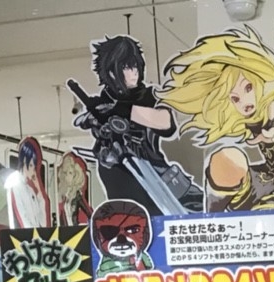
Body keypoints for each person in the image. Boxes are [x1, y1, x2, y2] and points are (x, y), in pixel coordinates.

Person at [158, 27, 274, 212]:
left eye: (248, 88)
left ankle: (232, 218)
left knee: (267, 204)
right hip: (253, 182)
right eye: (235, 99)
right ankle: (213, 220)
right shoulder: (250, 122)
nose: (244, 102)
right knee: (227, 158)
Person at [74, 35, 202, 215]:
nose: (134, 72)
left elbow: (166, 122)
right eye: (127, 67)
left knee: (195, 208)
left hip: (155, 171)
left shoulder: (149, 95)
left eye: (135, 66)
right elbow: (86, 123)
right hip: (120, 172)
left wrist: (122, 110)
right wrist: (93, 119)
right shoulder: (102, 102)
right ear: (112, 71)